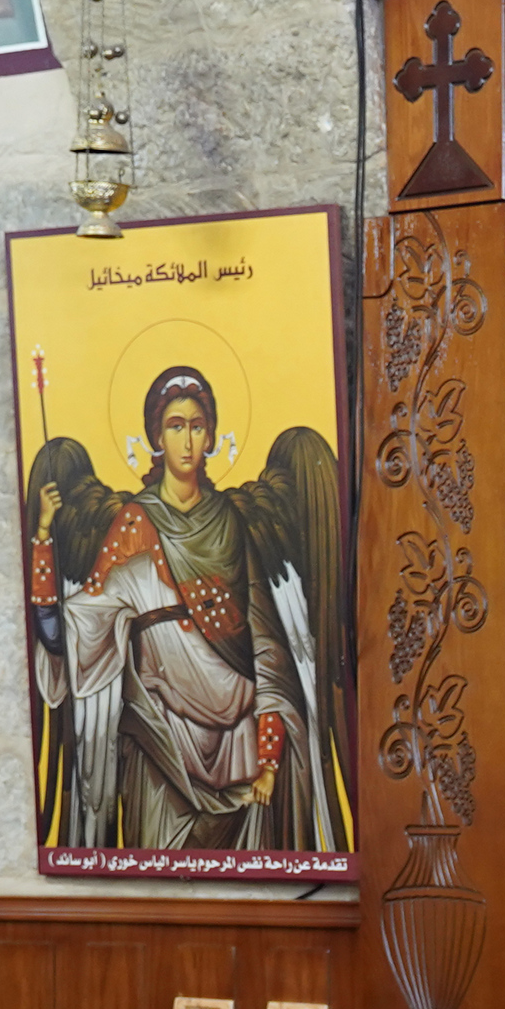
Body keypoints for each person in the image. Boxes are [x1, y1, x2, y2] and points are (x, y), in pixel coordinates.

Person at [24, 365, 350, 859]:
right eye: (175, 426)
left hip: (240, 746)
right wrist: (45, 541)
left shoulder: (234, 522)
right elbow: (73, 635)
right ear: (157, 435)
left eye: (197, 426)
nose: (187, 439)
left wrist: (267, 755)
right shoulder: (133, 524)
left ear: (212, 435)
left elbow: (267, 645)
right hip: (161, 746)